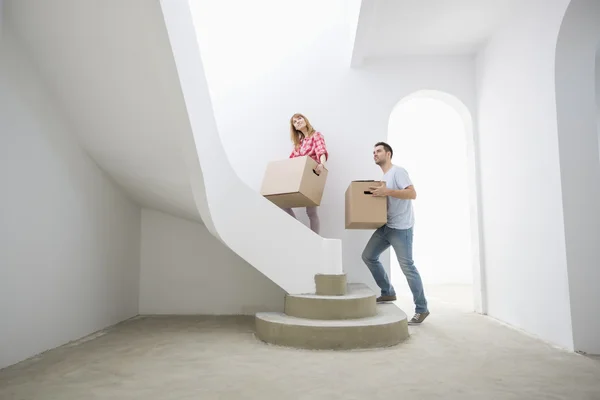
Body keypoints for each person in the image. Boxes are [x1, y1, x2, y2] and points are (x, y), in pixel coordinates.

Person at [362, 141, 430, 325]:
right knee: (368, 256)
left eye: (378, 151)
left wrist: (388, 191)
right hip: (386, 226)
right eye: (373, 152)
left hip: (401, 228)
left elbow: (412, 194)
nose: (374, 154)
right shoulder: (384, 176)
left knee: (408, 266)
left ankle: (422, 309)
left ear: (388, 154)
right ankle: (388, 292)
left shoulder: (398, 172)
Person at [281, 113, 329, 234]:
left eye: (299, 118)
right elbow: (291, 160)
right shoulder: (299, 144)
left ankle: (315, 238)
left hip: (311, 175)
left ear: (305, 120)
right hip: (298, 176)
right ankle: (301, 231)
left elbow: (321, 151)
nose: (298, 122)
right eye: (295, 122)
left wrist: (321, 165)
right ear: (295, 128)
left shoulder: (316, 135)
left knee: (311, 212)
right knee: (282, 203)